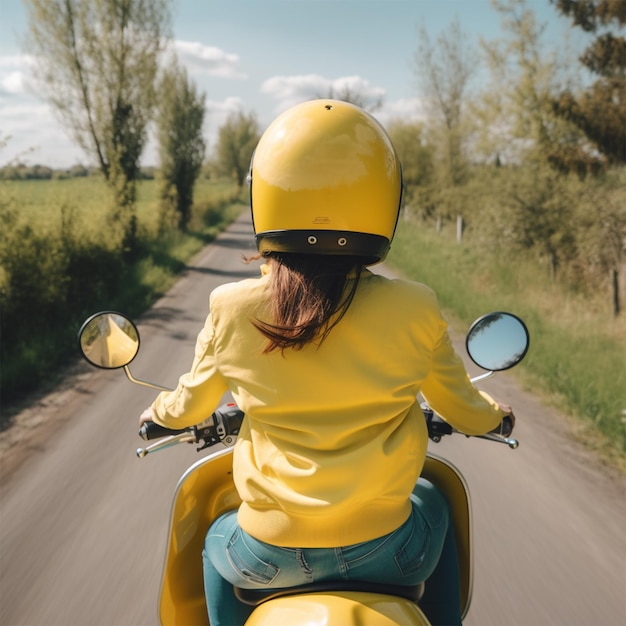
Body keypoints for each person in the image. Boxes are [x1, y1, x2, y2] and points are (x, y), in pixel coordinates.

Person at [140, 99, 514, 626]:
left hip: (268, 556)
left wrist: (158, 412)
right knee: (439, 508)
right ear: (383, 200)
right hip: (393, 549)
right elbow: (464, 407)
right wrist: (495, 415)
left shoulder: (230, 307)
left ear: (265, 197)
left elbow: (188, 405)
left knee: (212, 544)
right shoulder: (416, 306)